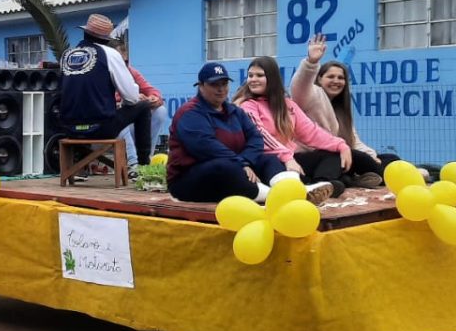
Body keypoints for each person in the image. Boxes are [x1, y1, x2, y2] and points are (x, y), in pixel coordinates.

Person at [167, 62, 331, 205]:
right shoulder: (190, 113)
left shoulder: (234, 111)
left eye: (224, 83)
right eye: (214, 84)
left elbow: (255, 138)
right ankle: (276, 197)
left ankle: (294, 189)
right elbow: (207, 147)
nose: (221, 89)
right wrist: (241, 164)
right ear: (201, 86)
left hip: (236, 166)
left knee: (268, 158)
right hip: (188, 180)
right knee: (224, 166)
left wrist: (245, 161)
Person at [233, 56, 350, 198]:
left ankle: (322, 186)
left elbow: (311, 132)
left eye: (259, 75)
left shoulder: (286, 104)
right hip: (265, 161)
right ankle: (316, 186)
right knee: (274, 162)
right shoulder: (246, 105)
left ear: (272, 78)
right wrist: (287, 157)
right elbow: (260, 136)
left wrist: (341, 145)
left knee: (332, 155)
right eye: (250, 75)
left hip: (288, 158)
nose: (253, 79)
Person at [289, 35, 395, 187]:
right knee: (357, 158)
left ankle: (358, 178)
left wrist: (374, 156)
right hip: (313, 158)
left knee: (389, 157)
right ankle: (387, 177)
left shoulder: (341, 109)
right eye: (330, 76)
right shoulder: (311, 96)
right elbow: (299, 87)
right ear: (319, 79)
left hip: (338, 156)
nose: (336, 81)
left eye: (341, 77)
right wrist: (311, 63)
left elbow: (354, 141)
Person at [57, 13, 152, 166]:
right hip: (100, 128)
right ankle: (142, 165)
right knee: (143, 107)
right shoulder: (110, 54)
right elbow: (131, 97)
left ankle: (80, 167)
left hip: (69, 128)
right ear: (107, 38)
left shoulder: (66, 55)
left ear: (85, 32)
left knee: (84, 111)